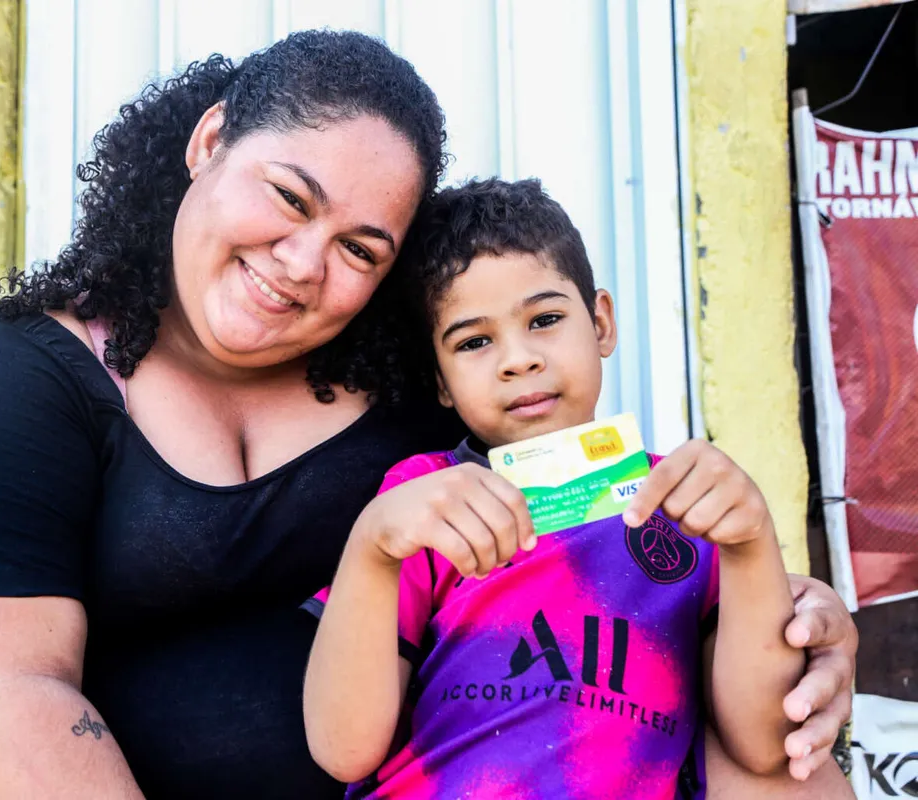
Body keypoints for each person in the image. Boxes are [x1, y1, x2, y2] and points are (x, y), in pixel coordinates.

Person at [0, 30, 857, 799]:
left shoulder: (420, 379)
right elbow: (10, 695)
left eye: (361, 249)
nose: (303, 262)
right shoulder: (30, 377)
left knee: (793, 781)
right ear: (209, 145)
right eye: (287, 196)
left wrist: (798, 620)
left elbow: (605, 555)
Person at [303, 178, 828, 798]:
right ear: (439, 381)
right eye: (474, 342)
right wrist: (373, 546)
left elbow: (767, 746)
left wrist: (751, 543)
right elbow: (343, 750)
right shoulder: (427, 502)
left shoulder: (686, 502)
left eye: (545, 319)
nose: (518, 359)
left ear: (601, 322)